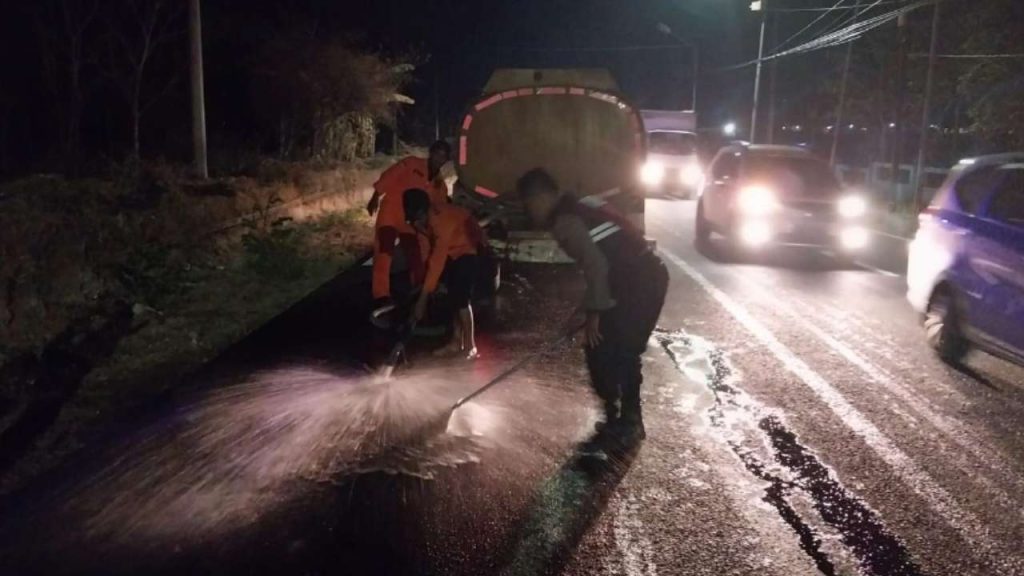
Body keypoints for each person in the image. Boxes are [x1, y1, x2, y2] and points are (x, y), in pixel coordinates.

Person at [516, 168, 668, 443]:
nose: (530, 212)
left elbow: (597, 266)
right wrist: (586, 311)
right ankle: (615, 415)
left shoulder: (565, 222)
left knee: (620, 348)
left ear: (541, 198)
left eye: (529, 204)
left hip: (640, 283)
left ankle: (629, 421)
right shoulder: (581, 204)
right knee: (603, 347)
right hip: (636, 278)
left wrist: (595, 313)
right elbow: (600, 264)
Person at [368, 140, 452, 315]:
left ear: (446, 160)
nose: (439, 159)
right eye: (437, 154)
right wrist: (376, 195)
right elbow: (391, 175)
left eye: (443, 156)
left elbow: (440, 208)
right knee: (384, 253)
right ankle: (381, 295)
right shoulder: (412, 164)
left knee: (416, 254)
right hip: (391, 213)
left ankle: (419, 289)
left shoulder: (440, 186)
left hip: (411, 224)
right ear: (431, 153)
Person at [403, 188, 485, 360]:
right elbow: (426, 252)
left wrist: (422, 299)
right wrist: (424, 283)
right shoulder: (419, 222)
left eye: (418, 218)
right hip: (452, 251)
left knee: (461, 298)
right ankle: (456, 342)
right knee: (451, 295)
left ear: (425, 211)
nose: (416, 223)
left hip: (470, 247)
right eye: (413, 220)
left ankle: (470, 347)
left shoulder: (442, 221)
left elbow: (438, 260)